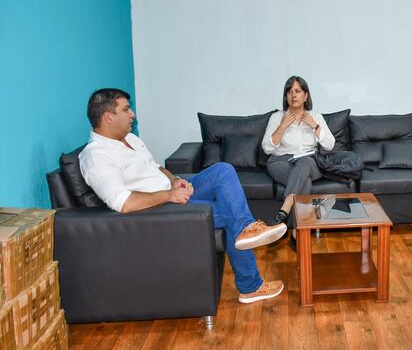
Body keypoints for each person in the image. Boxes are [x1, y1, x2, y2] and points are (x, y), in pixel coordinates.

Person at [79, 88, 288, 304]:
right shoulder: (96, 156)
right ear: (108, 117)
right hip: (157, 208)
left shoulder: (129, 138)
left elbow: (155, 166)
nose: (132, 114)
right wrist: (169, 195)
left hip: (170, 192)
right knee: (229, 214)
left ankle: (247, 228)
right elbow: (124, 203)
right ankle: (251, 285)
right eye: (126, 109)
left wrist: (173, 179)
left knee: (223, 170)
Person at [262, 76, 335, 225]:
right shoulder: (276, 117)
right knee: (304, 181)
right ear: (286, 96)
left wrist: (315, 126)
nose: (293, 95)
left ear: (306, 95)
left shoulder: (316, 117)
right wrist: (282, 126)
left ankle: (287, 204)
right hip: (281, 162)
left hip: (311, 162)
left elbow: (330, 145)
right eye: (289, 92)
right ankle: (298, 232)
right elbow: (267, 148)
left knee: (304, 162)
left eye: (297, 91)